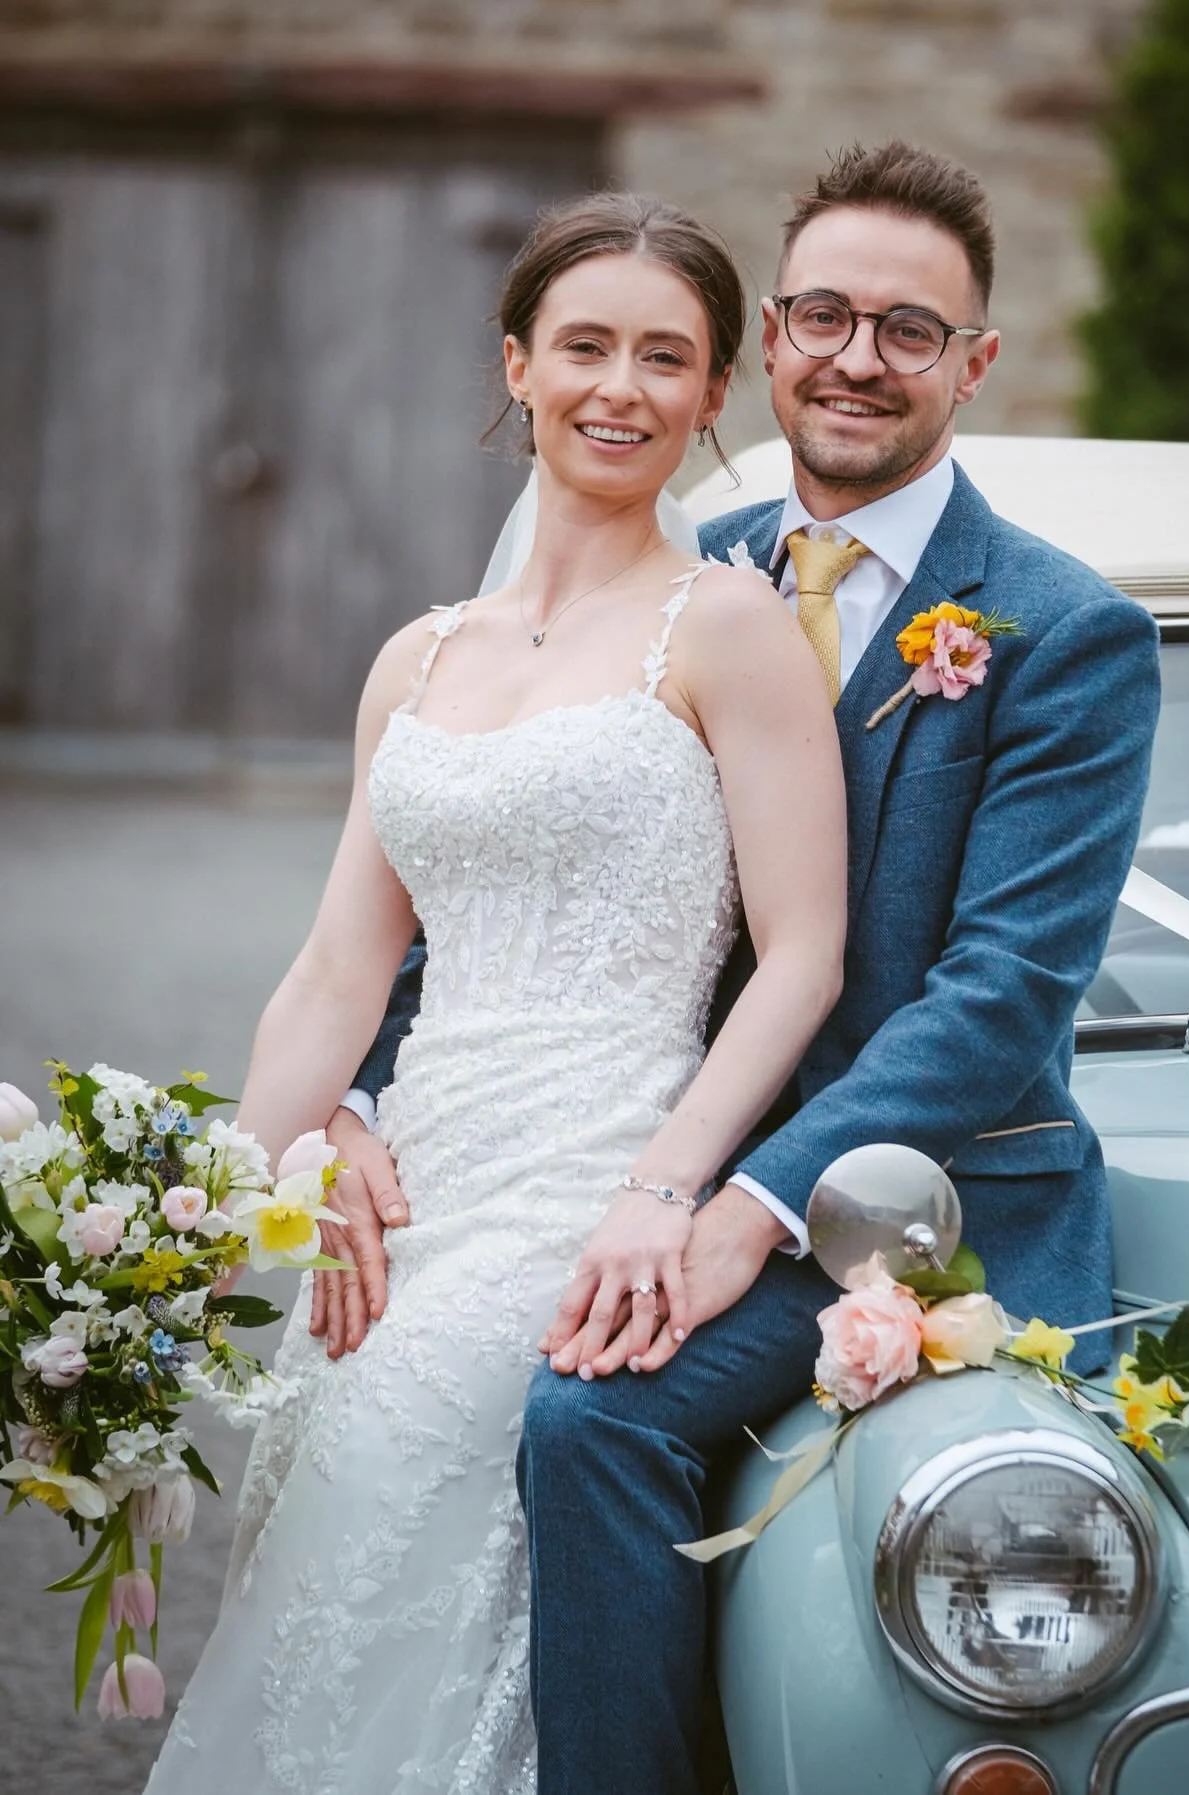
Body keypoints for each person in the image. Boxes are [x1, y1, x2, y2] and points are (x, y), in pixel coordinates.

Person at [326, 142, 1162, 1795]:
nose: (859, 357)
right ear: (769, 338)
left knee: (591, 1410)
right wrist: (359, 1097)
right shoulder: (684, 565)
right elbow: (501, 863)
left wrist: (747, 1206)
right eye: (828, 315)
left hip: (920, 1207)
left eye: (910, 330)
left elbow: (1000, 994)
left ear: (975, 364)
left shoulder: (1064, 632)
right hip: (625, 1139)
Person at [142, 191, 848, 1795]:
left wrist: (669, 1184)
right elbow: (341, 964)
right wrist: (208, 1218)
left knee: (411, 1469)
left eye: (667, 356)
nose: (623, 386)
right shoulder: (419, 655)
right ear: (516, 363)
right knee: (320, 1507)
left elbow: (803, 953)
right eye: (586, 344)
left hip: (600, 1162)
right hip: (421, 1166)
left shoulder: (728, 630)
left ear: (713, 393)